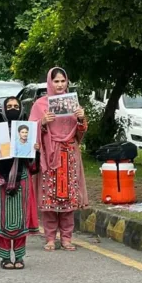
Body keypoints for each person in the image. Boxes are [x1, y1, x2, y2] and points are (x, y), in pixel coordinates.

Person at [29, 67, 88, 252]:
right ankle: (50, 238)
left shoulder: (72, 104)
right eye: (56, 81)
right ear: (50, 82)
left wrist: (81, 119)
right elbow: (29, 131)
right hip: (49, 154)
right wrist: (42, 122)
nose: (60, 85)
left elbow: (79, 134)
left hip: (69, 155)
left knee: (68, 199)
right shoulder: (40, 105)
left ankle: (67, 238)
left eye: (63, 81)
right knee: (49, 199)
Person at [0, 97, 40, 270]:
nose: (12, 109)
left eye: (16, 106)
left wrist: (35, 150)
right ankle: (4, 257)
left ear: (21, 109)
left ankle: (19, 256)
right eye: (9, 106)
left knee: (21, 216)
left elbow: (33, 166)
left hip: (22, 178)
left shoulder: (27, 131)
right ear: (3, 110)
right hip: (0, 180)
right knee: (1, 216)